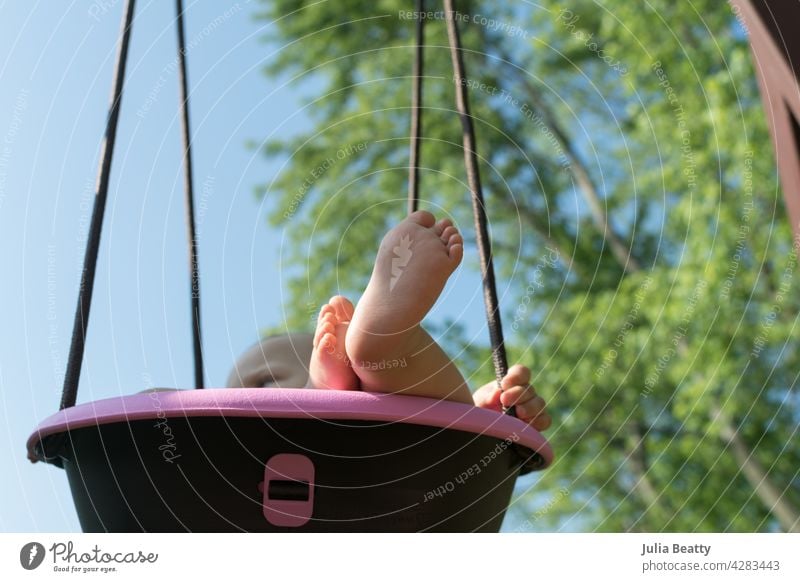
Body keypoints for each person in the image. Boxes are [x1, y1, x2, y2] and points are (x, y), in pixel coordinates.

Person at [228, 211, 551, 432]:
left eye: (265, 382)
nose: (242, 393)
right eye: (263, 383)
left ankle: (340, 382)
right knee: (411, 392)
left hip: (377, 451)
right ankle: (379, 357)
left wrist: (486, 420)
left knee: (419, 411)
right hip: (417, 462)